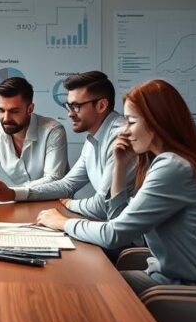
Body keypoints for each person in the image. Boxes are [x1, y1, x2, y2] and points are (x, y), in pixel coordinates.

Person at [36, 79, 196, 296]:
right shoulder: (168, 162)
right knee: (90, 279)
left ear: (155, 122)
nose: (124, 131)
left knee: (87, 286)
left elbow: (114, 235)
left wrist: (63, 223)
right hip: (170, 278)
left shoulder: (173, 167)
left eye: (131, 121)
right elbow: (117, 222)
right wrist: (120, 166)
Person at [21, 72, 135, 226]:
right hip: (107, 229)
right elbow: (67, 185)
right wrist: (16, 192)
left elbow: (102, 206)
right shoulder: (93, 138)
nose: (70, 113)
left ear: (101, 105)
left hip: (130, 242)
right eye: (69, 105)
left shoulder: (121, 138)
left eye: (76, 106)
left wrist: (69, 203)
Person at [0, 76, 68, 200]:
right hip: (19, 204)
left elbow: (54, 179)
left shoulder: (53, 131)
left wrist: (11, 192)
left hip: (57, 203)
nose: (6, 118)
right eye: (1, 110)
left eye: (14, 111)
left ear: (30, 109)